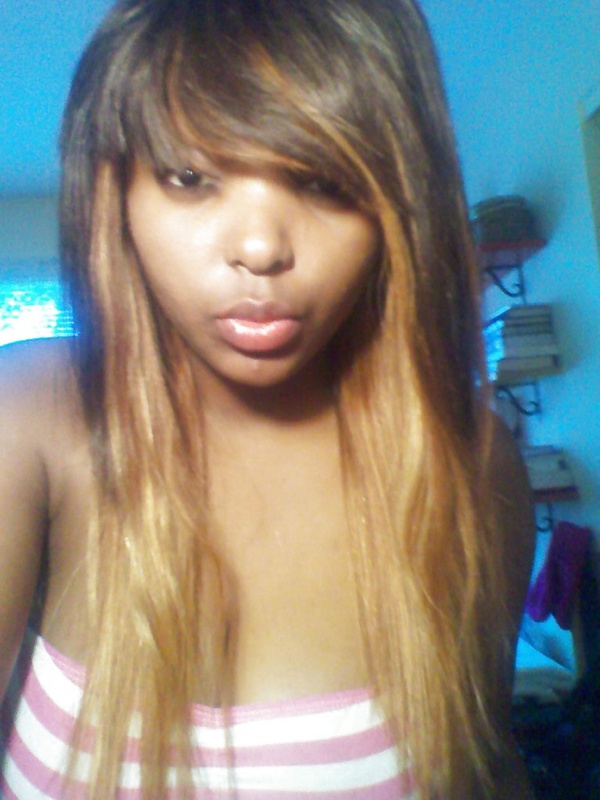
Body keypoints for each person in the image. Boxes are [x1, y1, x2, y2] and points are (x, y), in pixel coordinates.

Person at [0, 0, 536, 797]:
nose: (259, 248)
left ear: (398, 202)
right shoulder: (30, 415)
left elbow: (489, 770)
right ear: (117, 193)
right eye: (190, 177)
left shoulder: (473, 466)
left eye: (324, 180)